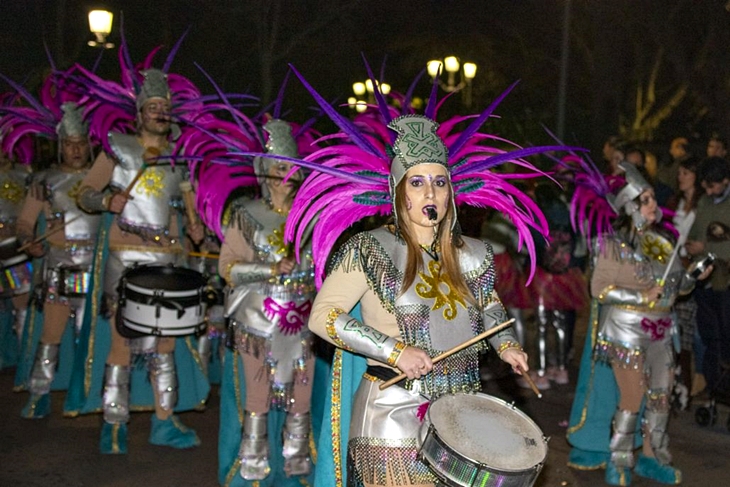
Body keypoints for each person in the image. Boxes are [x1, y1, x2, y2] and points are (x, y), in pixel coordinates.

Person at [72, 66, 209, 454]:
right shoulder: (118, 147)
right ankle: (113, 424)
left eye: (164, 107)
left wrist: (197, 229)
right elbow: (84, 193)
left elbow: (188, 204)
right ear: (139, 113)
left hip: (166, 261)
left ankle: (163, 423)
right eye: (152, 107)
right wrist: (105, 201)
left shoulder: (178, 159)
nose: (159, 113)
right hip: (125, 259)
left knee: (164, 346)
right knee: (123, 343)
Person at [591, 161, 709, 485]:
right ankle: (618, 461)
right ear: (629, 207)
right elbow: (599, 290)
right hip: (626, 333)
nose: (654, 205)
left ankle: (653, 458)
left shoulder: (664, 243)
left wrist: (693, 277)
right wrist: (643, 296)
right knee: (632, 397)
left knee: (661, 395)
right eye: (646, 201)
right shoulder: (611, 244)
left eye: (653, 199)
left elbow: (676, 287)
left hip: (661, 332)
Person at [218, 118, 317, 484]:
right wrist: (269, 268)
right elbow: (226, 268)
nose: (288, 174)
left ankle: (297, 468)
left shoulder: (312, 215)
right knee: (257, 396)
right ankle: (252, 471)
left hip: (304, 321)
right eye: (280, 167)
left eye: (294, 167)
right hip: (258, 320)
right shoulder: (246, 214)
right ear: (264, 170)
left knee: (301, 397)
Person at [15, 102, 101, 418]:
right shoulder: (44, 181)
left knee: (89, 337)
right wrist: (28, 242)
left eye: (81, 144)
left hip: (96, 266)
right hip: (59, 267)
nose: (76, 150)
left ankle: (86, 395)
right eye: (69, 144)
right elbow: (25, 223)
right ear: (60, 146)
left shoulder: (102, 181)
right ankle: (39, 393)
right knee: (50, 336)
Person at [685, 156, 730, 398]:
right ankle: (714, 389)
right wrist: (690, 247)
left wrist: (704, 248)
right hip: (704, 282)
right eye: (706, 186)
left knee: (726, 338)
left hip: (725, 284)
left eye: (714, 186)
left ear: (725, 181)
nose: (709, 191)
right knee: (709, 336)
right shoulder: (704, 202)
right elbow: (695, 234)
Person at [666, 156, 702, 407]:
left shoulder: (702, 205)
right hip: (670, 268)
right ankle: (670, 385)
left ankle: (685, 389)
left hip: (689, 271)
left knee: (685, 335)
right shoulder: (673, 202)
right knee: (670, 333)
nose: (681, 176)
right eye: (679, 172)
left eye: (686, 172)